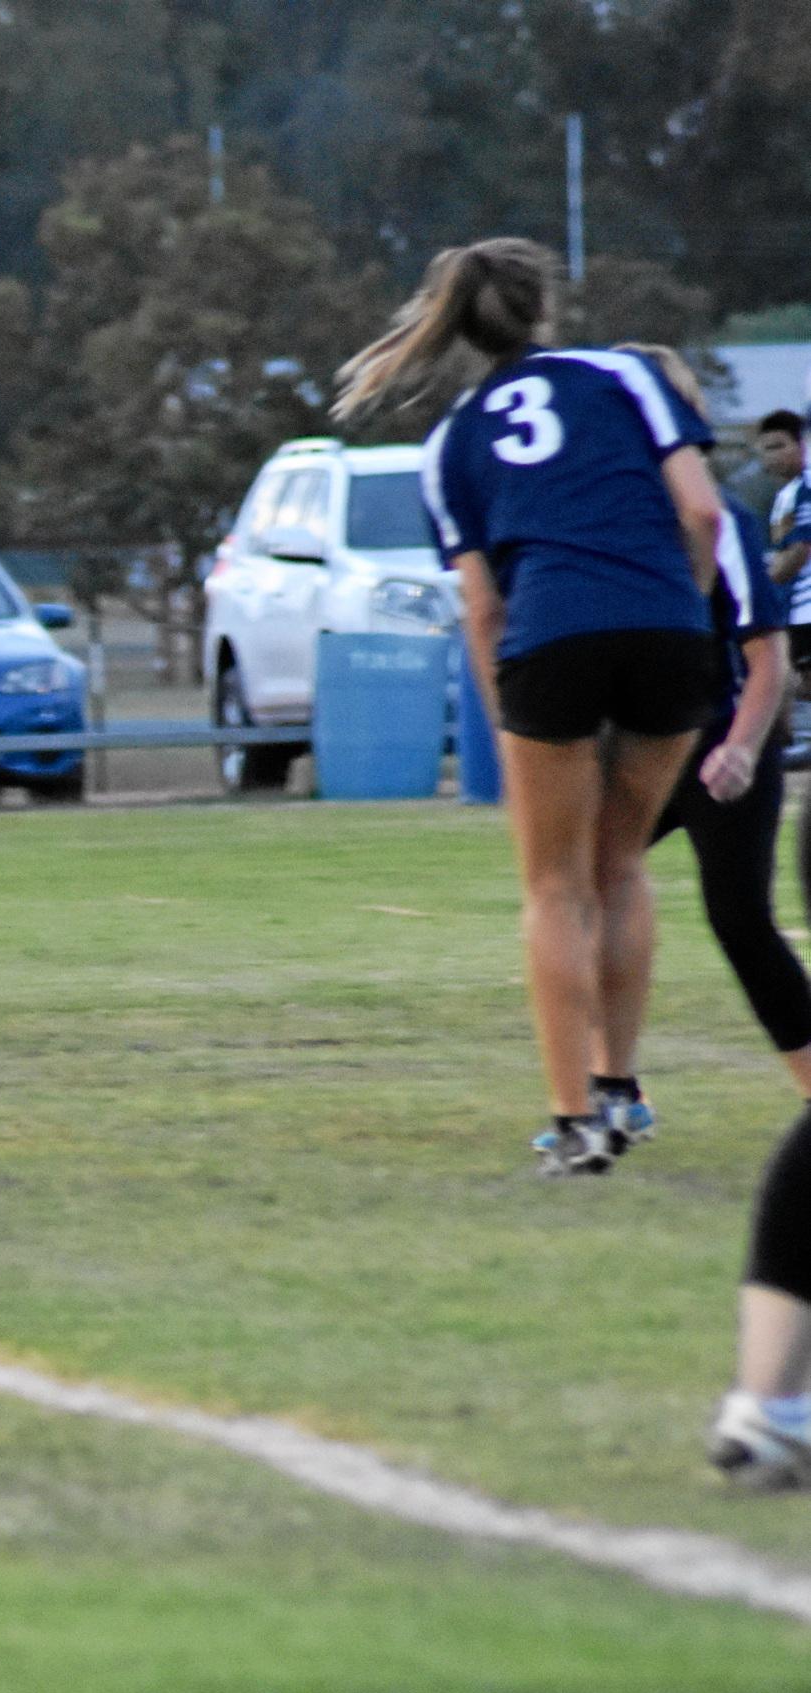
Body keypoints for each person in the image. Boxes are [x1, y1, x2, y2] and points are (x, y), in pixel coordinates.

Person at [334, 238, 725, 1176]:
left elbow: (481, 605)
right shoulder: (627, 375)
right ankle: (620, 1093)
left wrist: (504, 699)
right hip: (667, 626)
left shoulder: (450, 442)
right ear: (545, 308)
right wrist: (686, 607)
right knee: (621, 863)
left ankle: (572, 1124)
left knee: (553, 886)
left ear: (460, 324)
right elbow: (703, 514)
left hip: (547, 640)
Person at [594, 349, 811, 1121]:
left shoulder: (722, 524)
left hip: (721, 747)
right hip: (639, 751)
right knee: (579, 894)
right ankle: (612, 1089)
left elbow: (768, 661)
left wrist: (743, 748)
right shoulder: (600, 525)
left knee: (740, 921)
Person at [756, 412, 811, 672]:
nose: (772, 455)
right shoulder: (787, 493)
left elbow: (800, 550)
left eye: (779, 446)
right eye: (766, 449)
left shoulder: (805, 487)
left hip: (804, 612)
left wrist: (760, 588)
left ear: (801, 445)